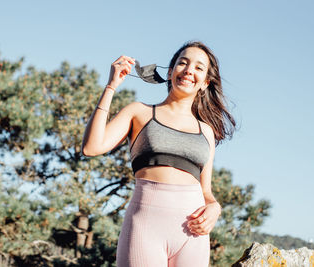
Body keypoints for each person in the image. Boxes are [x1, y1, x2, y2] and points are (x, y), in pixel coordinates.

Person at [82, 41, 236, 267]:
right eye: (182, 63)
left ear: (205, 83)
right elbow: (91, 147)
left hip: (192, 234)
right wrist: (111, 87)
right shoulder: (140, 112)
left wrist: (215, 207)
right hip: (144, 228)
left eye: (198, 67)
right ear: (171, 71)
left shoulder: (207, 132)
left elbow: (206, 191)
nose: (189, 70)